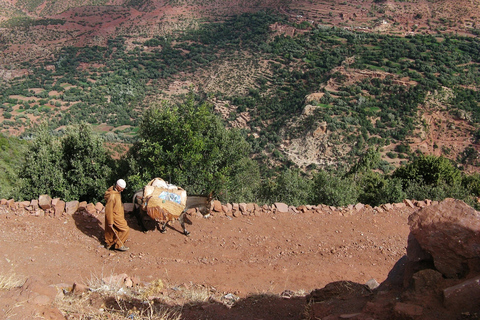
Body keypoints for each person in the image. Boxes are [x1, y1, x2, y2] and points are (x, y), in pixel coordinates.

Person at [104, 179, 130, 251]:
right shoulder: (112, 196)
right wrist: (110, 222)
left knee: (115, 230)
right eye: (121, 189)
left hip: (118, 215)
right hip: (115, 216)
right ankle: (119, 244)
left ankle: (111, 243)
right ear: (118, 186)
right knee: (126, 229)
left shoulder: (116, 192)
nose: (122, 190)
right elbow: (109, 209)